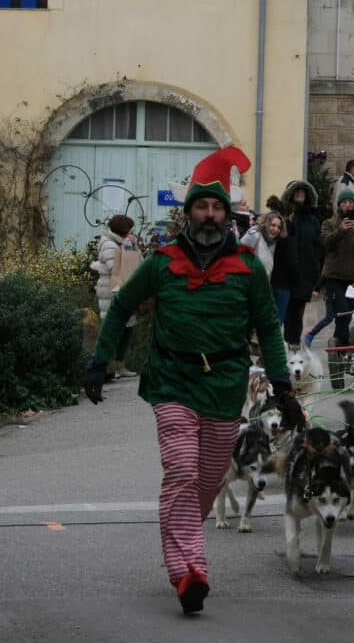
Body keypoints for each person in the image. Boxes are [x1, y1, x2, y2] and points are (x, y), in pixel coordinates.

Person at [84, 146, 301, 616]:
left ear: (227, 214)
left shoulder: (247, 269)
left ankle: (181, 547)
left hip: (225, 384)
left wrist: (283, 389)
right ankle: (189, 571)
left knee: (206, 481)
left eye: (216, 207)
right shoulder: (162, 262)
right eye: (200, 206)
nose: (208, 214)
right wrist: (100, 359)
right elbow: (120, 306)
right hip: (172, 379)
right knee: (181, 470)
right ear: (187, 214)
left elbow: (268, 328)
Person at [305, 188, 354, 349]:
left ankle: (340, 344)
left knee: (352, 314)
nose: (348, 205)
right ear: (338, 205)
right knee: (343, 312)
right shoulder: (329, 223)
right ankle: (342, 345)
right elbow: (325, 242)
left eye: (351, 203)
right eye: (344, 202)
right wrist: (340, 230)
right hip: (334, 277)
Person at [91, 214, 139, 378]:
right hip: (112, 294)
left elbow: (138, 263)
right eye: (130, 230)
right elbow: (116, 268)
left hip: (124, 291)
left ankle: (120, 365)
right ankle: (108, 366)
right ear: (123, 230)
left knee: (127, 329)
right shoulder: (109, 245)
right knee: (112, 330)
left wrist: (132, 247)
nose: (132, 232)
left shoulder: (123, 243)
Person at [280, 180, 322, 347]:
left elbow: (318, 249)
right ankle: (277, 350)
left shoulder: (313, 220)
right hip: (283, 275)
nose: (299, 195)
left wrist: (316, 277)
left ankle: (294, 347)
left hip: (305, 275)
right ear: (289, 195)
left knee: (297, 314)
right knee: (281, 313)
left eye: (302, 192)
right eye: (295, 192)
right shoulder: (283, 217)